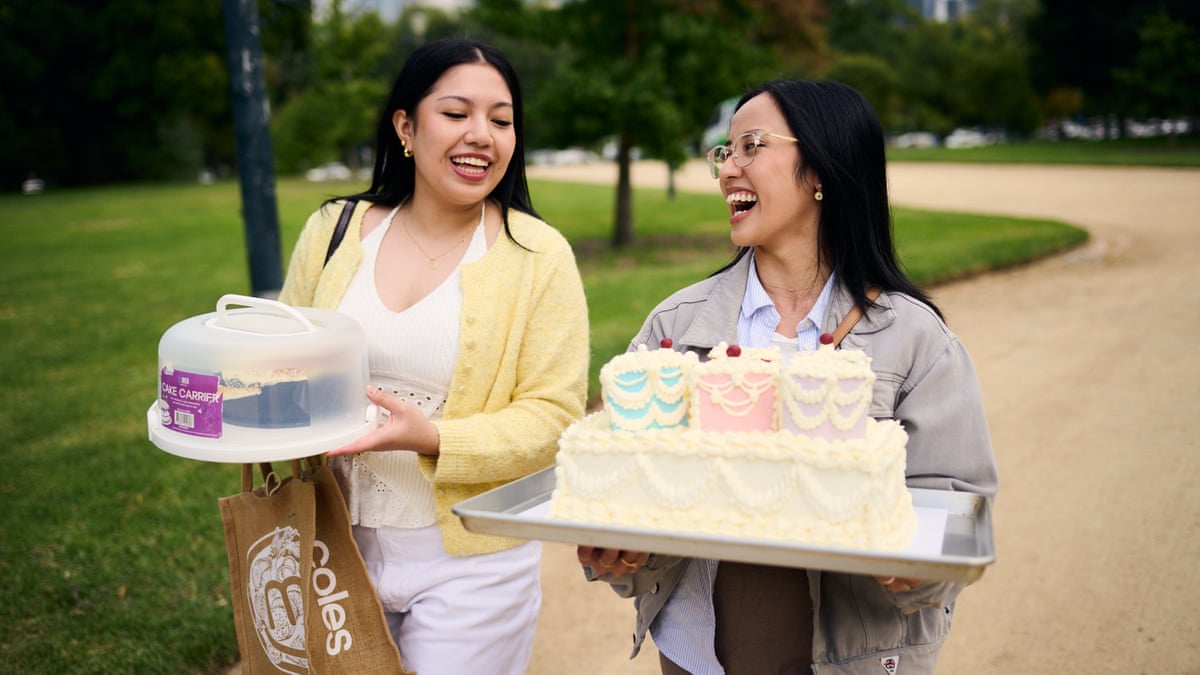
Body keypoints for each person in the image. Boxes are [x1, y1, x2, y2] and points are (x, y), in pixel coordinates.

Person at [577, 79, 999, 674]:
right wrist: (622, 555)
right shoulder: (673, 327)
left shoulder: (917, 341)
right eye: (724, 153)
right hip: (693, 659)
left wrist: (911, 562)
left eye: (752, 146)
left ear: (822, 167)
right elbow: (630, 505)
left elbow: (954, 524)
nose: (728, 170)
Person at [278, 37, 589, 675]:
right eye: (456, 113)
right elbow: (283, 359)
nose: (482, 135)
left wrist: (435, 438)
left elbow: (555, 417)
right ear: (406, 128)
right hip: (331, 549)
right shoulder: (334, 230)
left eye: (501, 120)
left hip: (474, 561)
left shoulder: (539, 256)